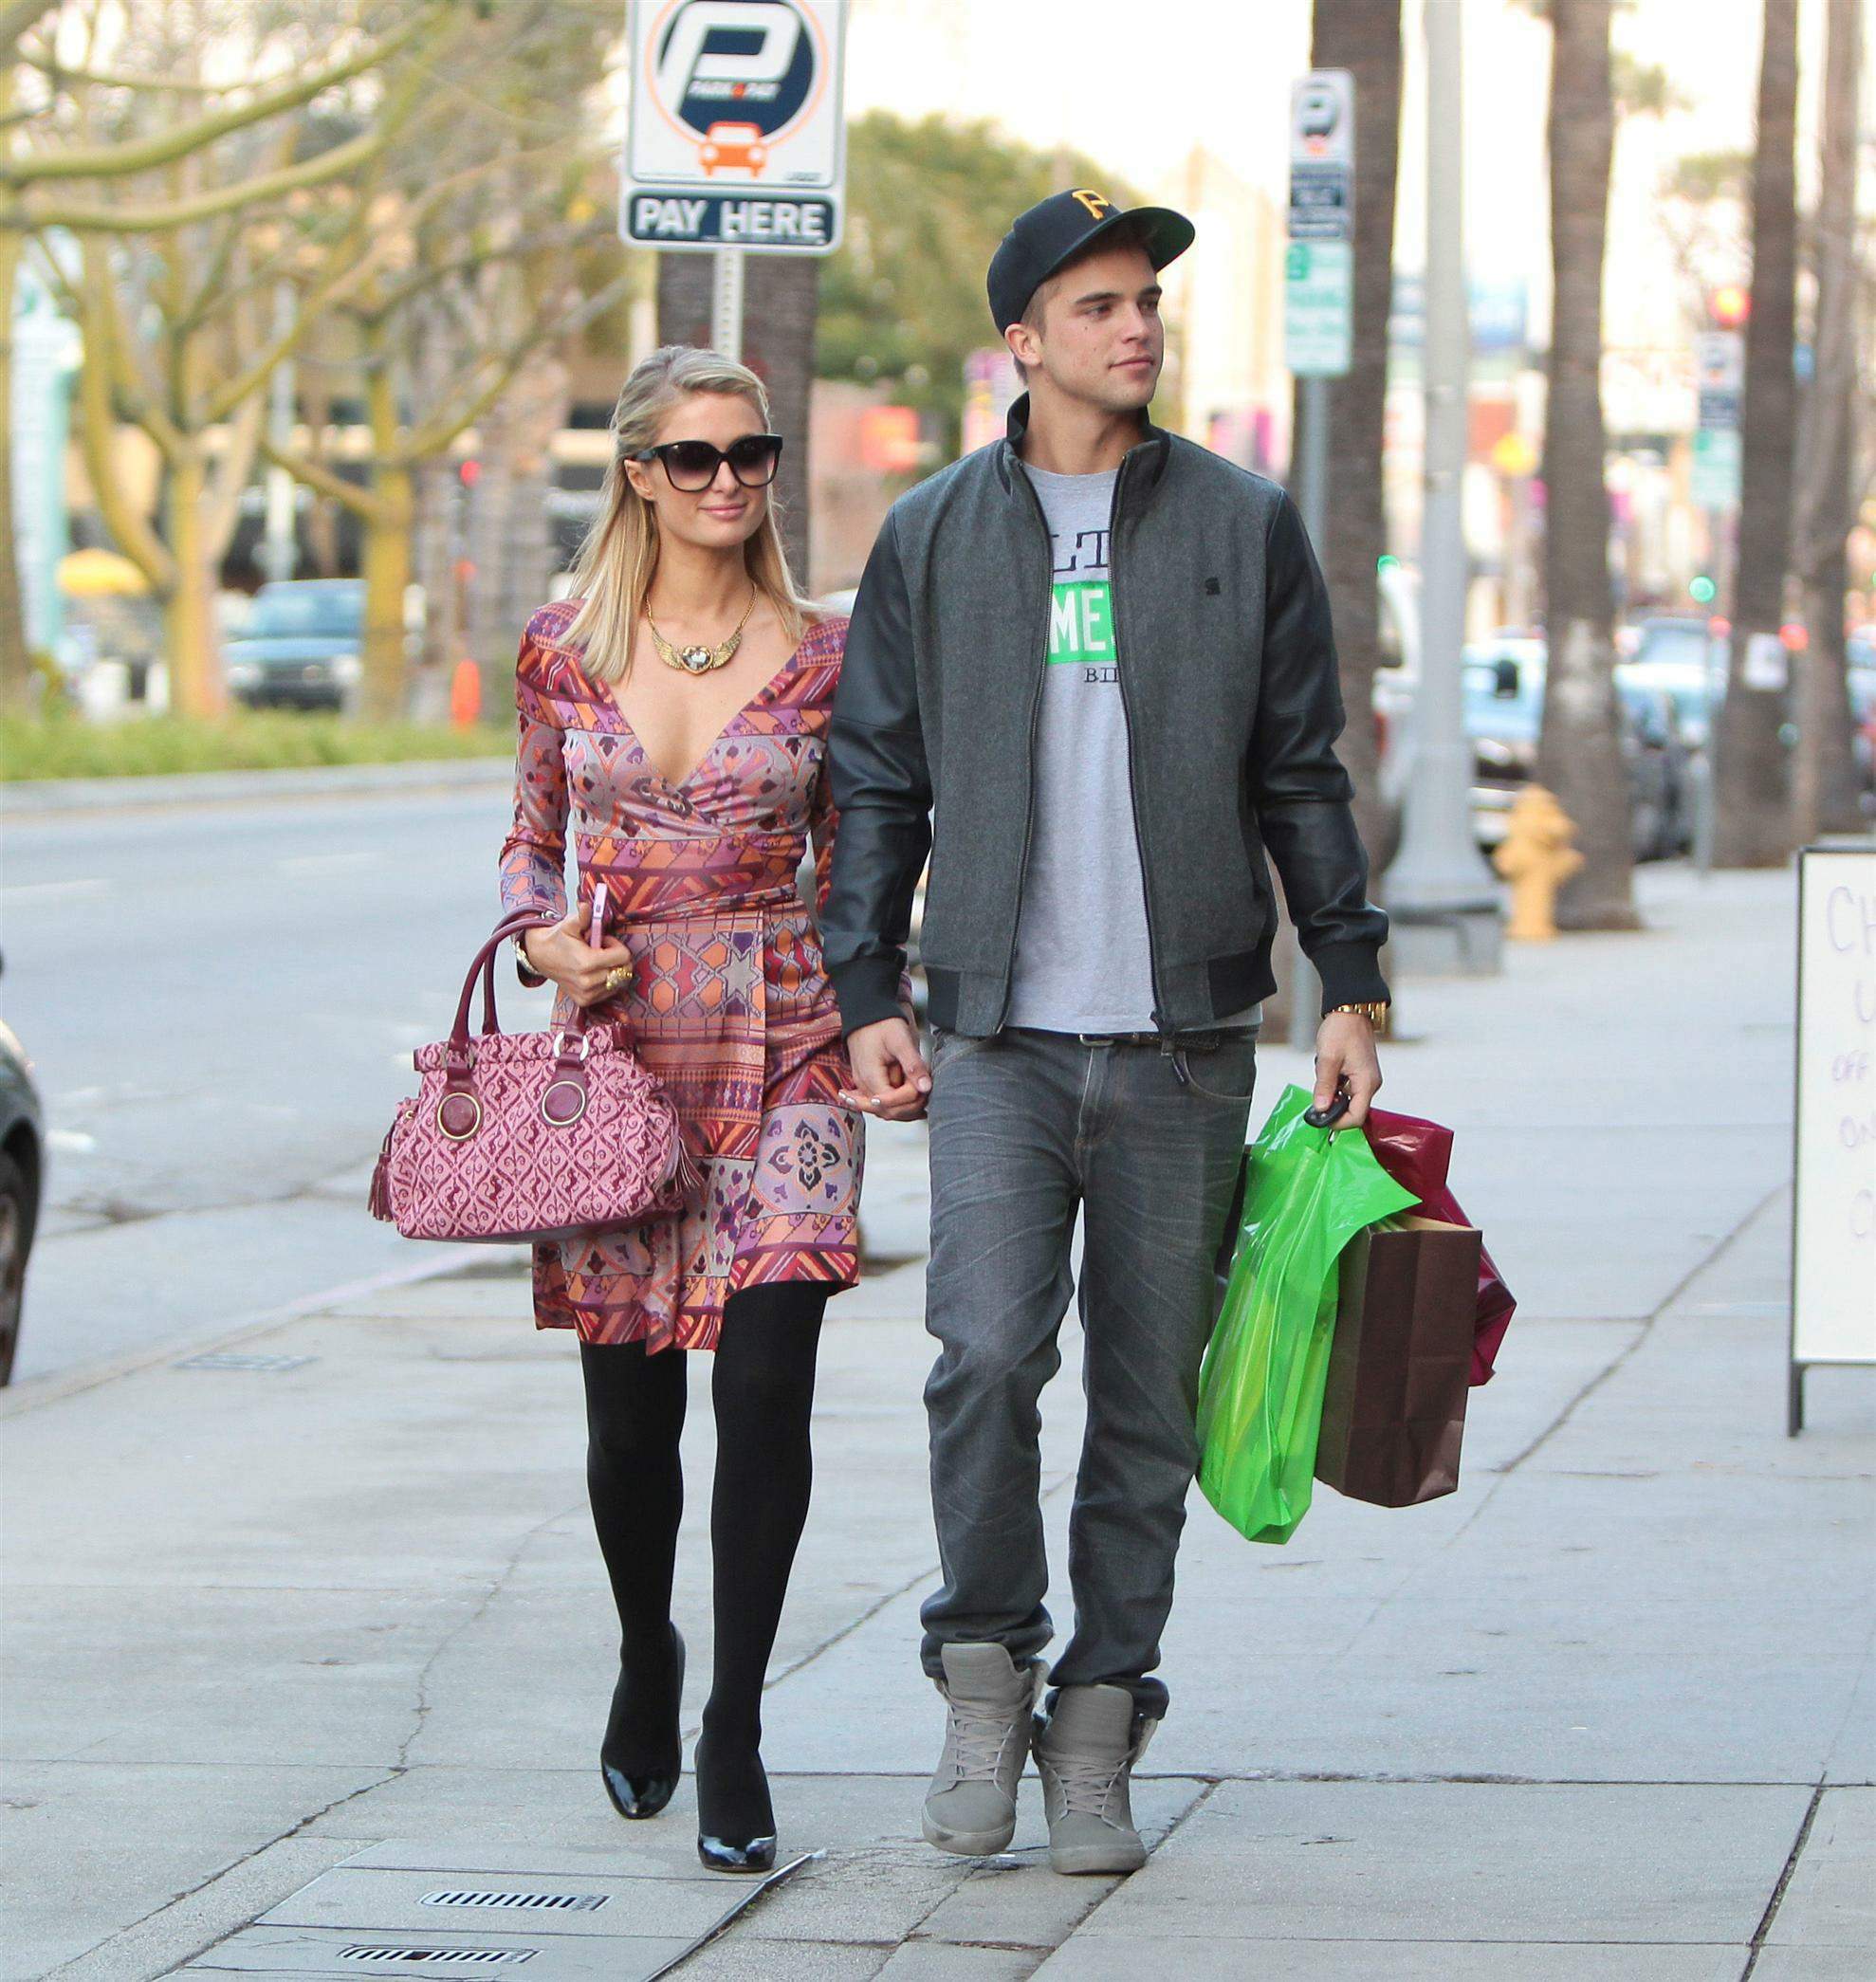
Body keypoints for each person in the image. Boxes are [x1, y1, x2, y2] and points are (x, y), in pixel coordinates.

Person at [822, 191, 1390, 1877]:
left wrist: (1346, 979)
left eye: (1144, 300)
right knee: (985, 1359)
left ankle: (1098, 1713)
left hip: (1183, 1037)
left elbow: (1300, 768)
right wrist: (868, 989)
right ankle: (982, 1666)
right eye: (1095, 305)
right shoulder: (932, 534)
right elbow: (875, 779)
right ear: (1021, 341)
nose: (1135, 326)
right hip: (994, 1034)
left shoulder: (1241, 521)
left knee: (1148, 1407)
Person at [497, 344, 895, 1874]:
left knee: (768, 1381)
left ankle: (735, 1718)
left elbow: (868, 859)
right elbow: (528, 841)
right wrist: (540, 941)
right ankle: (645, 1646)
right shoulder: (561, 649)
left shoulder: (828, 651)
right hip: (615, 1046)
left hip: (787, 1025)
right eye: (695, 457)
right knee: (629, 1413)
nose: (728, 480)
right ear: (638, 475)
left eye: (750, 453)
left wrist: (883, 1012)